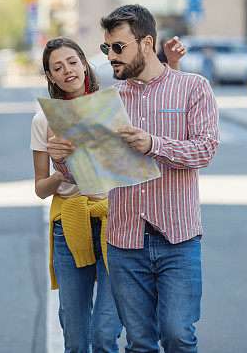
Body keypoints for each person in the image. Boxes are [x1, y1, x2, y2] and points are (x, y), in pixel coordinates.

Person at [51, 4, 219, 353]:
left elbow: (205, 150)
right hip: (124, 242)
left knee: (178, 335)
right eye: (105, 48)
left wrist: (154, 144)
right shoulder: (106, 102)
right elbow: (90, 174)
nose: (110, 57)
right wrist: (65, 161)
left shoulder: (193, 87)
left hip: (178, 238)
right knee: (140, 343)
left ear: (146, 43)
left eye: (118, 47)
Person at [34, 35, 186, 353]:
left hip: (116, 223)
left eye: (72, 62)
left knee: (104, 333)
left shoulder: (116, 102)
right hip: (70, 224)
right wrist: (61, 171)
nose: (67, 71)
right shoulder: (44, 120)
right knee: (75, 336)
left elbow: (160, 113)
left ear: (84, 63)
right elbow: (39, 187)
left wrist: (172, 65)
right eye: (57, 67)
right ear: (50, 76)